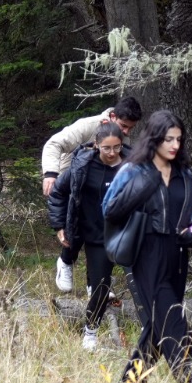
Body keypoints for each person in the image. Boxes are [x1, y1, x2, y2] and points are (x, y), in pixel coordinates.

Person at [103, 109, 192, 383]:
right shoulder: (134, 171)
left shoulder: (185, 174)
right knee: (174, 326)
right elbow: (109, 208)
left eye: (179, 139)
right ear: (154, 138)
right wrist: (149, 179)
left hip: (177, 256)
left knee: (156, 330)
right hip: (146, 255)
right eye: (168, 139)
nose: (175, 145)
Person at [43, 96, 144, 291]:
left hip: (99, 182)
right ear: (113, 116)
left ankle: (94, 284)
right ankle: (65, 262)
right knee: (76, 227)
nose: (126, 132)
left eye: (130, 129)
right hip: (72, 180)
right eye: (123, 126)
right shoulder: (88, 125)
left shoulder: (122, 138)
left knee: (99, 229)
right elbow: (53, 144)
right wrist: (50, 173)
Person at [49, 122, 128, 349]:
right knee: (101, 286)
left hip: (126, 235)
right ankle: (90, 333)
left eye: (117, 147)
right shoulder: (82, 165)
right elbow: (58, 193)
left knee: (139, 282)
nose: (113, 153)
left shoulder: (131, 166)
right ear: (96, 146)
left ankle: (150, 331)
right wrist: (59, 225)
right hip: (95, 236)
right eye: (107, 148)